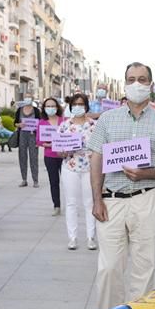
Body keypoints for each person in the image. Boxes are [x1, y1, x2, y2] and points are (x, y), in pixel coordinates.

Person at [87, 62, 155, 309]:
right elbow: (96, 158)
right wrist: (97, 199)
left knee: (144, 266)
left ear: (151, 85)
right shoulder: (108, 120)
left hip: (146, 198)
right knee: (109, 267)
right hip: (111, 200)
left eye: (142, 79)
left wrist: (147, 174)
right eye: (131, 79)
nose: (137, 84)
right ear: (125, 83)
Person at [56, 92, 97, 250]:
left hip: (89, 168)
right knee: (71, 203)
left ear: (86, 106)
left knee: (89, 203)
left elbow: (100, 147)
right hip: (70, 167)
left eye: (81, 104)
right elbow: (59, 150)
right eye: (75, 104)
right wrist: (64, 151)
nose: (78, 107)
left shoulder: (94, 125)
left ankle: (90, 237)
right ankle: (72, 238)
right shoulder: (65, 125)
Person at [40, 96, 64, 216]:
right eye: (48, 106)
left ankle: (70, 205)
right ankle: (57, 205)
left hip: (64, 156)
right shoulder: (42, 122)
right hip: (50, 156)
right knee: (54, 182)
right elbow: (39, 141)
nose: (50, 108)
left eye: (53, 106)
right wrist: (49, 144)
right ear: (44, 108)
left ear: (57, 107)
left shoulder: (63, 121)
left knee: (67, 181)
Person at [16, 100, 41, 187]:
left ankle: (35, 180)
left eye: (29, 97)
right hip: (22, 135)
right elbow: (15, 123)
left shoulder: (36, 110)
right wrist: (19, 125)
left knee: (34, 158)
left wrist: (39, 138)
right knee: (22, 156)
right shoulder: (19, 110)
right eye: (26, 97)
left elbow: (40, 123)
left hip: (33, 135)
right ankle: (24, 179)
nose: (27, 99)